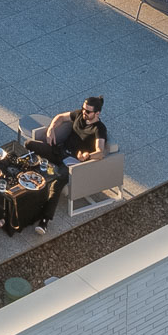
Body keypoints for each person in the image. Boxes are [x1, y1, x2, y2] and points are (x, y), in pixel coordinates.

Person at [24, 96, 110, 233]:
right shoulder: (79, 115)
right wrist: (51, 128)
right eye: (83, 109)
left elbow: (100, 152)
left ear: (97, 113)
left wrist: (87, 156)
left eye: (88, 112)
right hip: (59, 151)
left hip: (72, 163)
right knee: (29, 144)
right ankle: (26, 186)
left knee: (57, 184)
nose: (84, 113)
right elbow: (61, 117)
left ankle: (44, 221)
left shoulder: (99, 129)